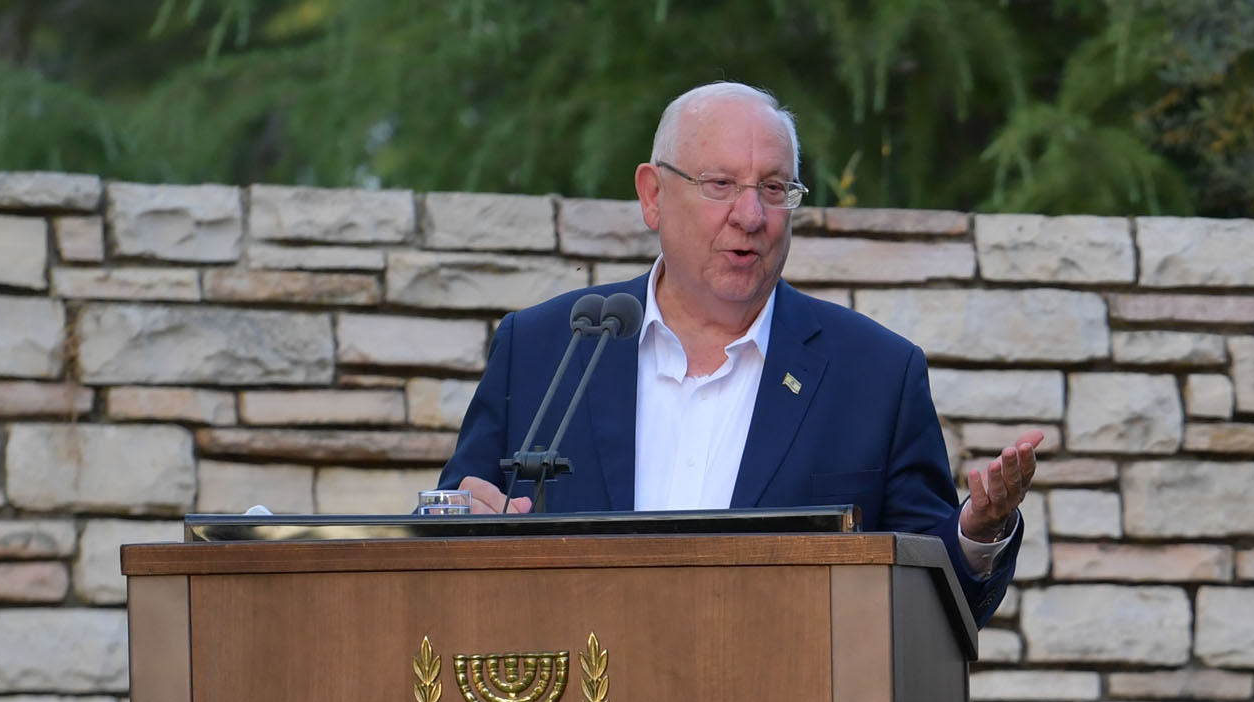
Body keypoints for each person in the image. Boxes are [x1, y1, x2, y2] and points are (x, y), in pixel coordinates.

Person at [437, 80, 1040, 623]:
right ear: (653, 195)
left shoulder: (876, 374)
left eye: (774, 188)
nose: (751, 216)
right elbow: (452, 528)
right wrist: (458, 523)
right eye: (720, 184)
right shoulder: (548, 349)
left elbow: (930, 594)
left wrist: (976, 532)